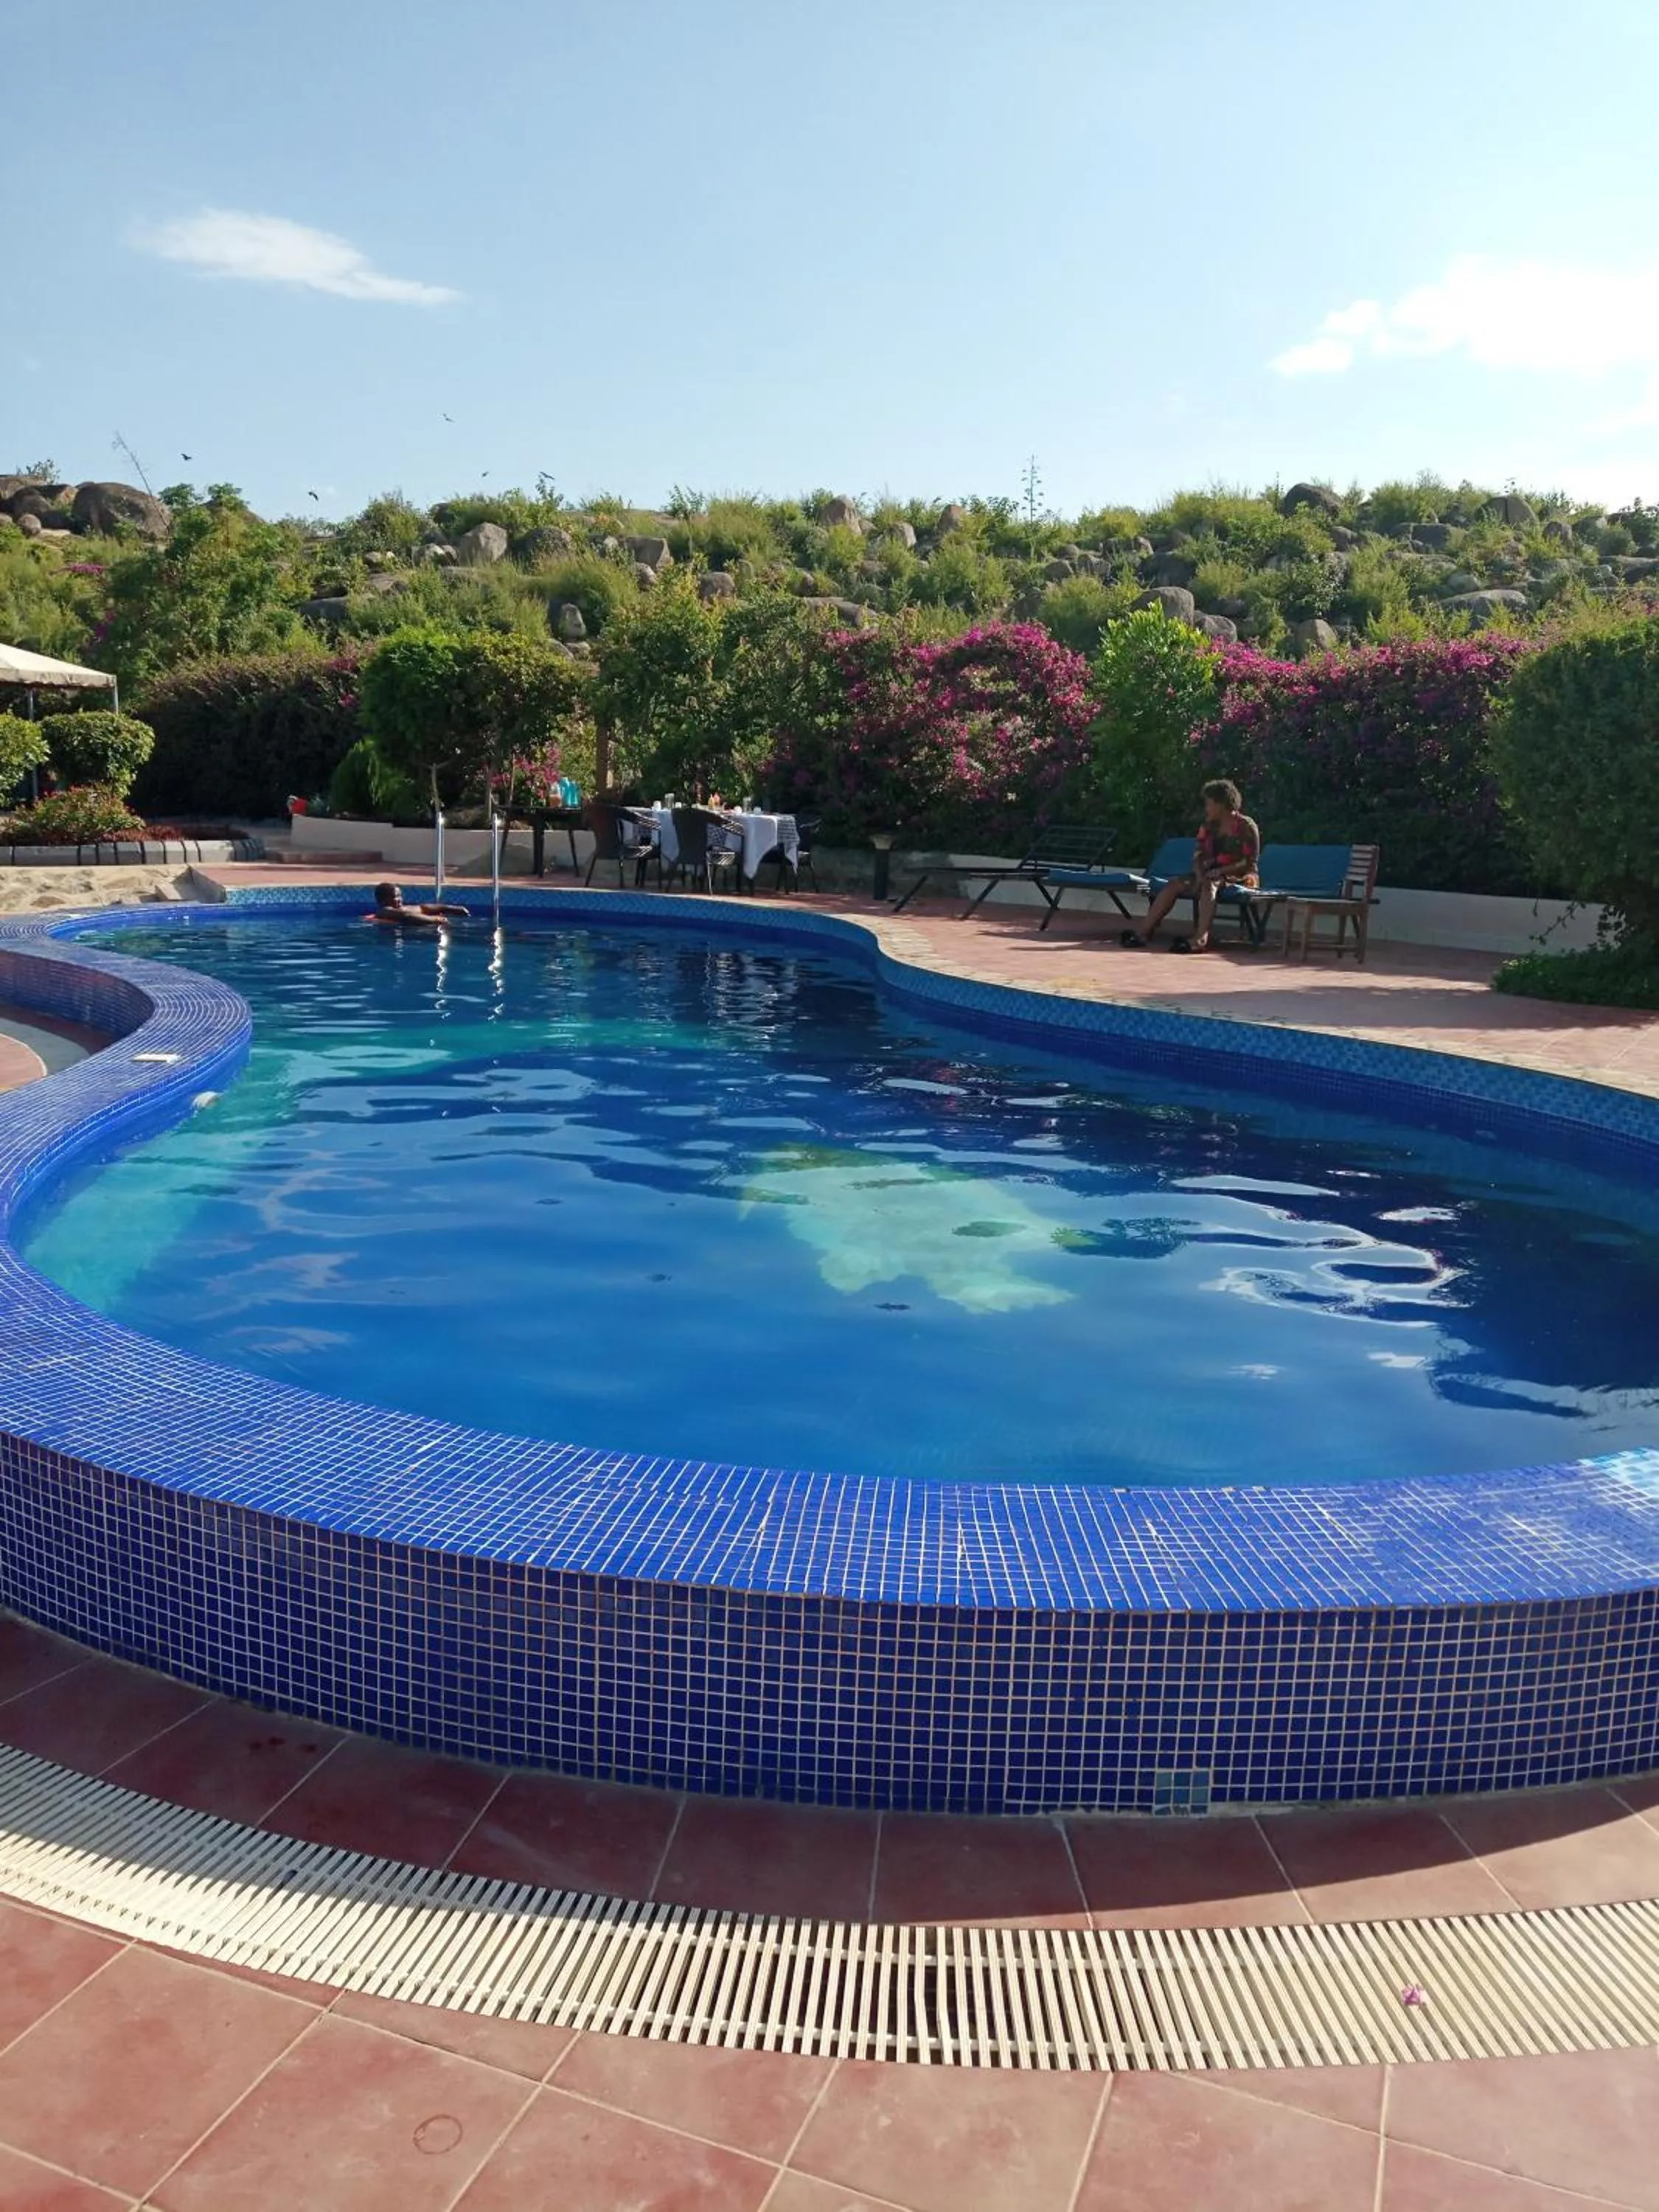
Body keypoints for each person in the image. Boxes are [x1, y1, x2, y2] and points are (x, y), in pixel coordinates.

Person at [1120, 779, 1260, 953]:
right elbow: (1198, 856)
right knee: (1174, 884)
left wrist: (1219, 872)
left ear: (1222, 804)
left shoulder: (1246, 826)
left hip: (1239, 874)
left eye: (1209, 804)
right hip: (1209, 872)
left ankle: (1200, 939)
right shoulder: (1208, 826)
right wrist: (1199, 875)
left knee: (1210, 884)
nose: (1206, 808)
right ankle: (1142, 933)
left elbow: (1249, 861)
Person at [369, 882, 467, 928]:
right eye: (396, 897)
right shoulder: (384, 911)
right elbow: (407, 916)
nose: (400, 900)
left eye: (400, 896)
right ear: (383, 899)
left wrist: (449, 908)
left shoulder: (400, 909)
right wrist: (437, 919)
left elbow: (421, 908)